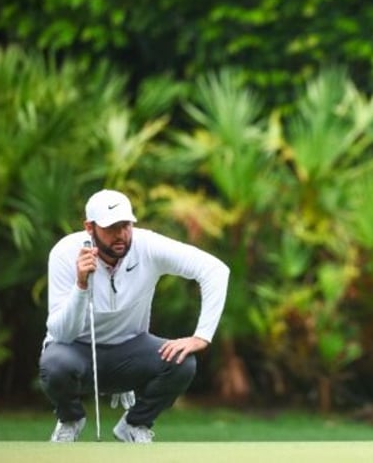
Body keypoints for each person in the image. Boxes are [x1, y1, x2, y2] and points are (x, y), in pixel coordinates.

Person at [38, 189, 230, 443]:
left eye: (125, 225)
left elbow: (215, 270)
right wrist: (81, 286)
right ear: (89, 227)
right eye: (111, 227)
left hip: (130, 350)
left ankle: (134, 424)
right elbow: (63, 333)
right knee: (54, 364)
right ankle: (70, 419)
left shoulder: (147, 245)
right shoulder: (64, 253)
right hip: (76, 351)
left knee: (182, 362)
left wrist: (201, 336)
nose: (121, 235)